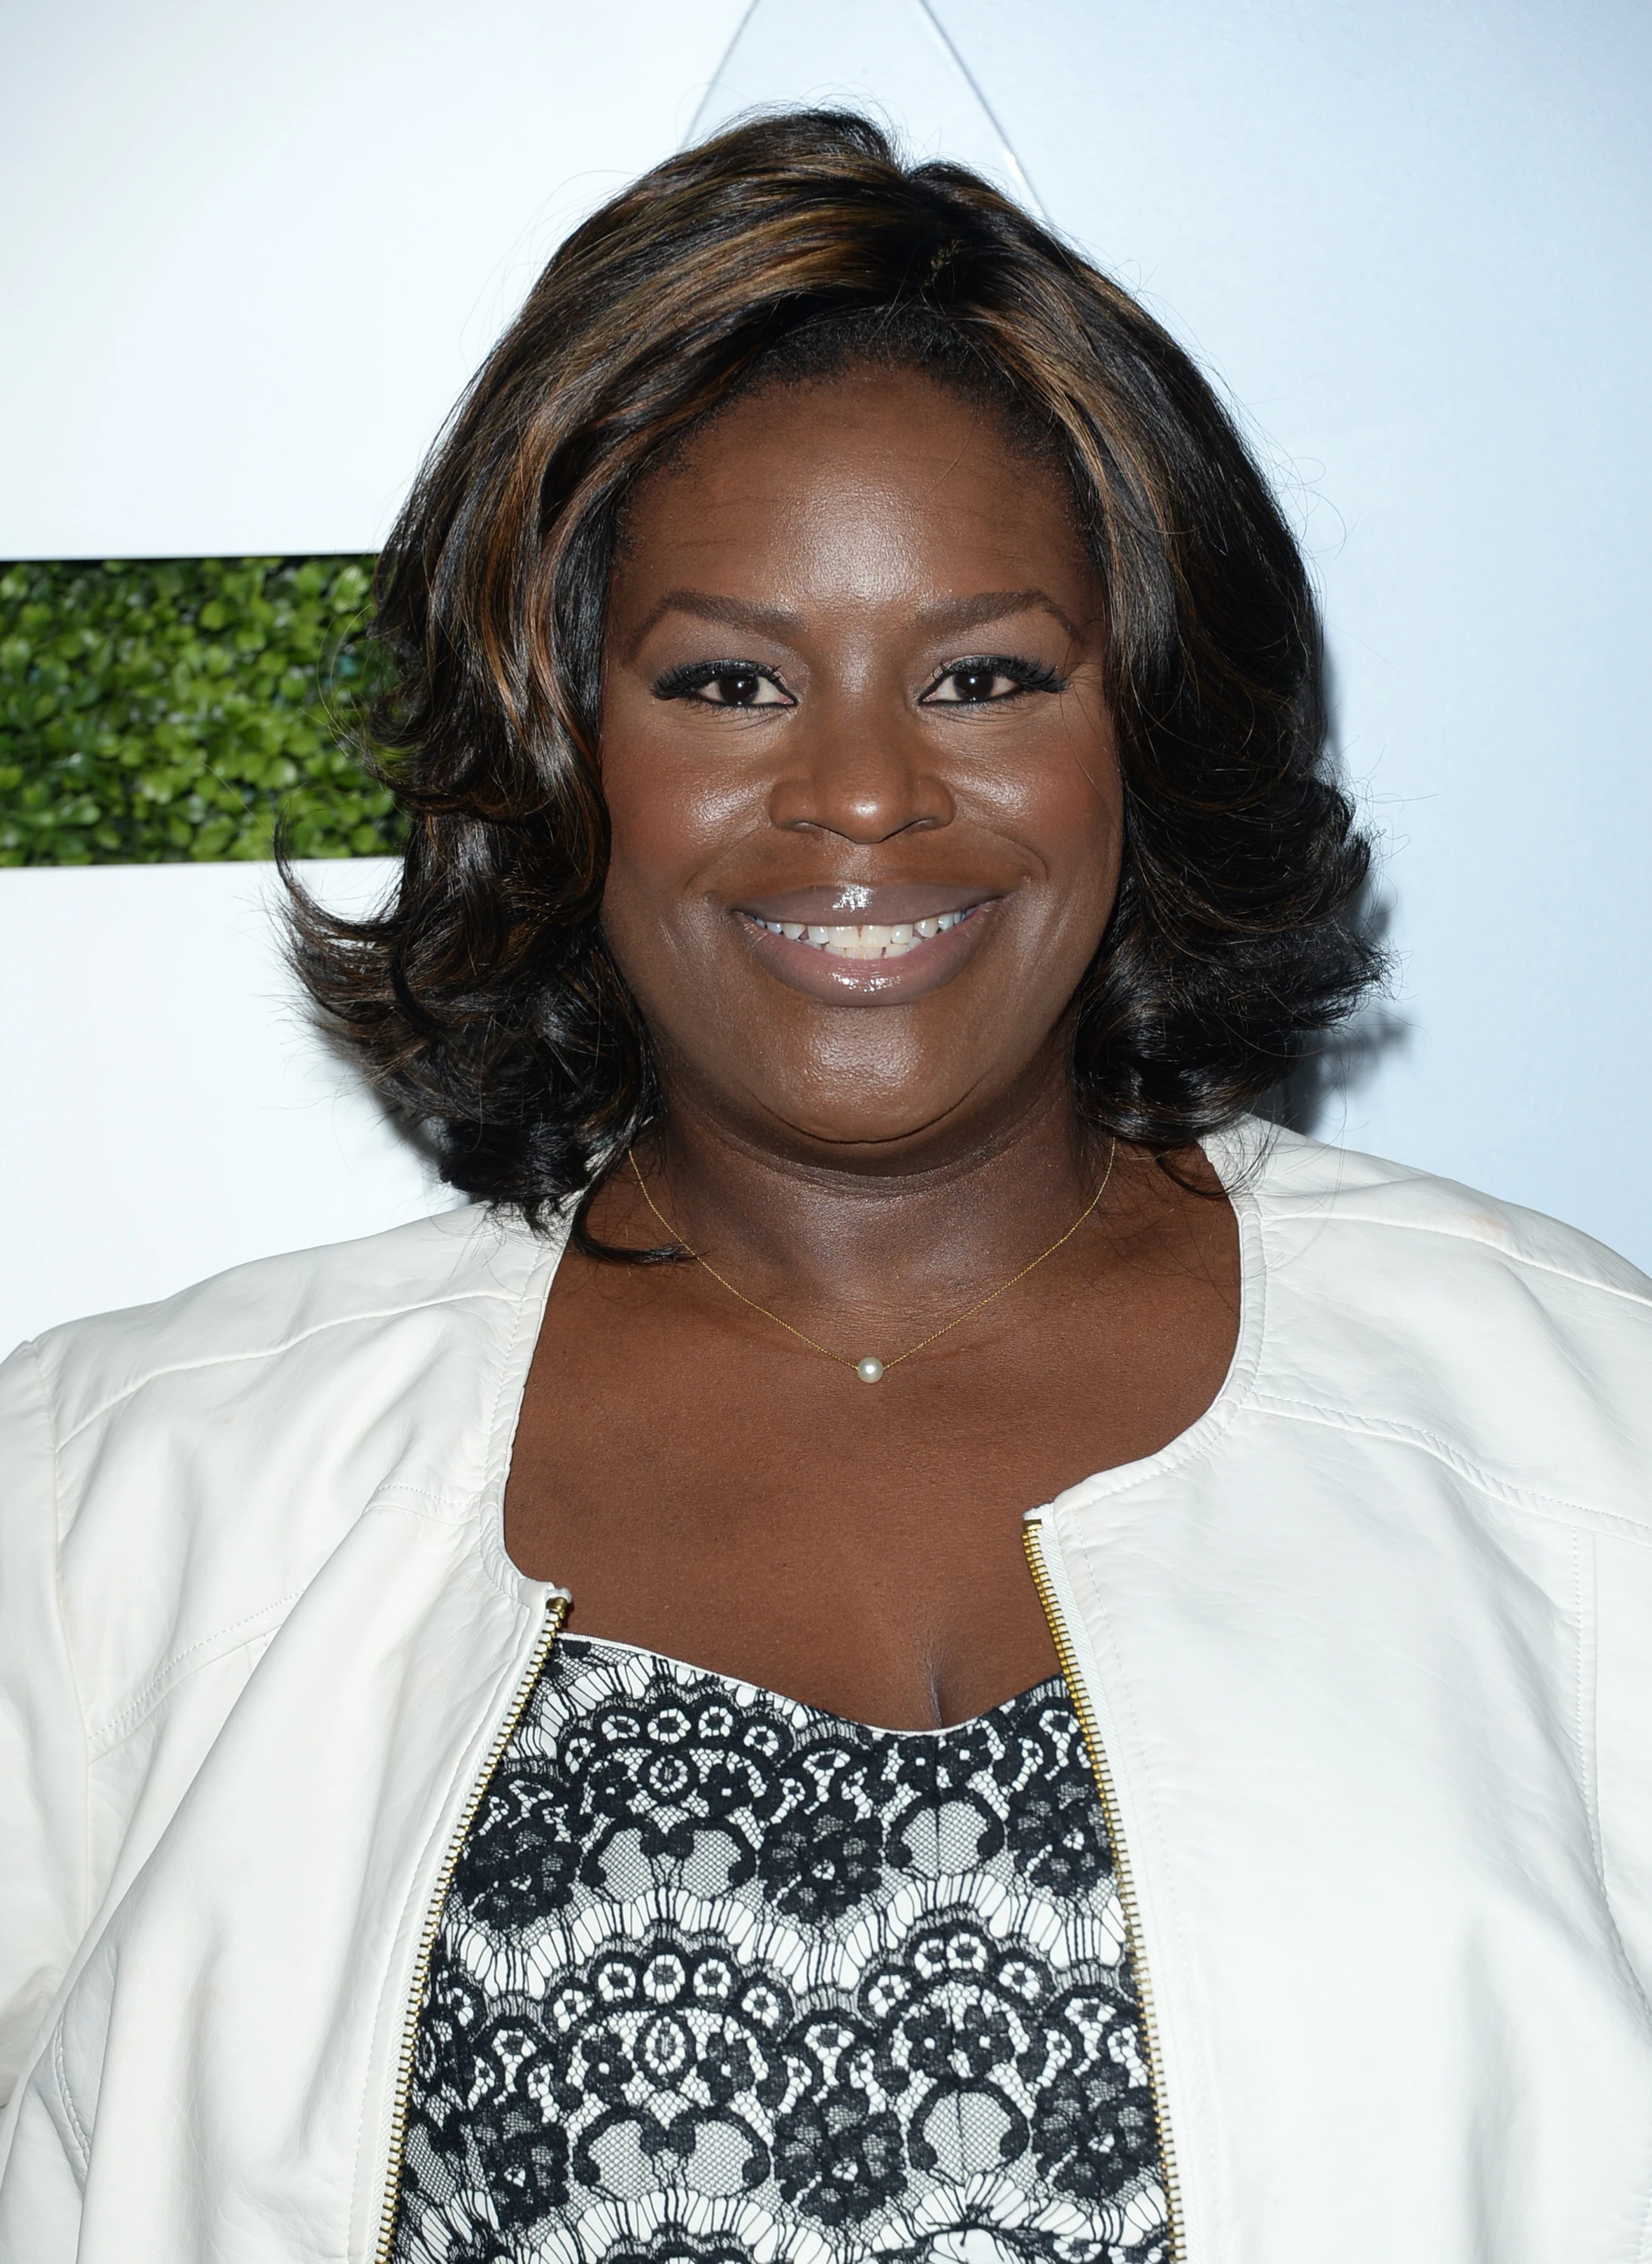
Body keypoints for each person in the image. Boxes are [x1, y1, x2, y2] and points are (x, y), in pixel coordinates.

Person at [2, 109, 1649, 2264]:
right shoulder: (114, 1499)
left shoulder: (1585, 1441)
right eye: (726, 682)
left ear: (1143, 728)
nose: (863, 793)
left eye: (984, 677)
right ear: (558, 737)